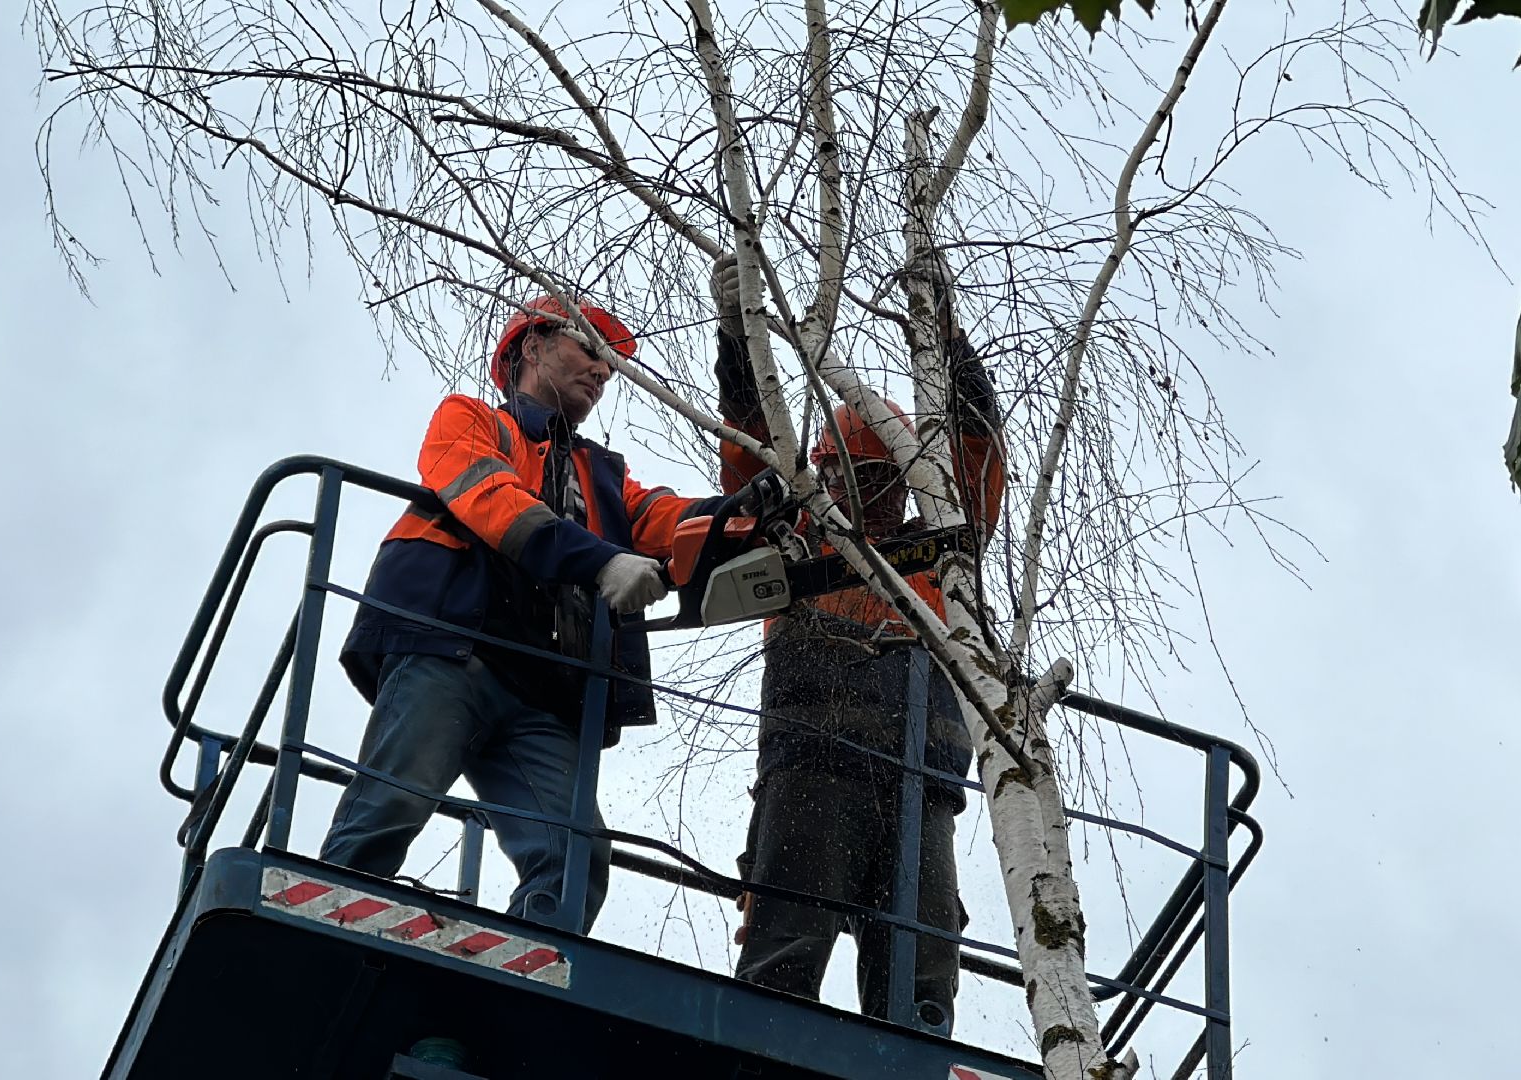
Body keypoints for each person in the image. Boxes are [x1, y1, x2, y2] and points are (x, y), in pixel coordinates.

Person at [320, 296, 720, 932]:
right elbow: (493, 500)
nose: (604, 370)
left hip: (542, 690)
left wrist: (753, 515)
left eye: (611, 363)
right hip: (451, 652)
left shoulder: (601, 475)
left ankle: (527, 971)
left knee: (574, 856)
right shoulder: (472, 420)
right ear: (531, 349)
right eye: (590, 349)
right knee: (390, 806)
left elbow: (672, 521)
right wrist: (600, 563)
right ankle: (322, 935)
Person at [710, 258, 1007, 1030]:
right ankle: (762, 1050)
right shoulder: (798, 541)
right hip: (812, 771)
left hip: (920, 788)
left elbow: (979, 450)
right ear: (825, 474)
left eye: (877, 476)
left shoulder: (943, 553)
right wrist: (740, 335)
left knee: (921, 969)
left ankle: (912, 1049)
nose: (862, 492)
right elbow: (747, 452)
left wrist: (943, 333)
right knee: (785, 953)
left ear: (907, 480)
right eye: (848, 475)